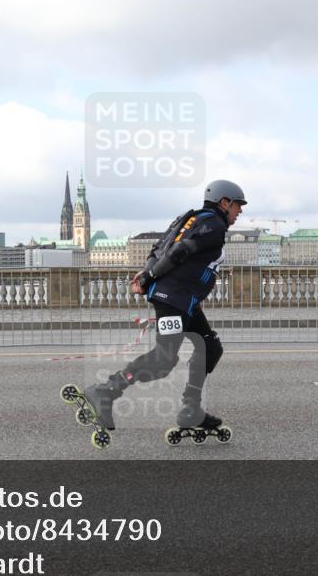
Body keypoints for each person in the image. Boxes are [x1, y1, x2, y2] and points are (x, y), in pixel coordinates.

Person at [84, 179, 246, 432]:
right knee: (163, 361)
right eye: (238, 205)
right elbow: (179, 251)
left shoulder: (189, 218)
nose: (240, 211)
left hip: (186, 301)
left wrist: (149, 273)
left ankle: (191, 409)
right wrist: (149, 278)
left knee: (210, 347)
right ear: (224, 203)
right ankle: (105, 391)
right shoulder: (213, 225)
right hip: (175, 299)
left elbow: (158, 249)